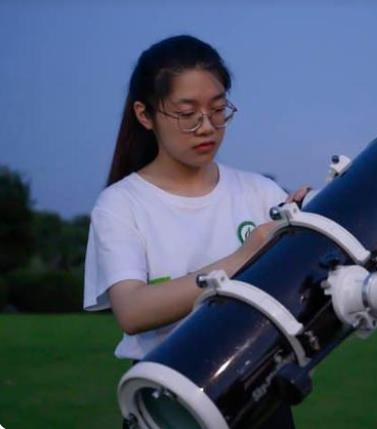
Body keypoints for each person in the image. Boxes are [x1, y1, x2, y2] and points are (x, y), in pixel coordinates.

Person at [83, 35, 308, 428]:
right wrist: (244, 256)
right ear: (145, 114)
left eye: (218, 110)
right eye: (187, 113)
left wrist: (310, 231)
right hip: (168, 403)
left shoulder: (260, 193)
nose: (207, 127)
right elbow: (132, 311)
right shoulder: (121, 204)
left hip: (260, 393)